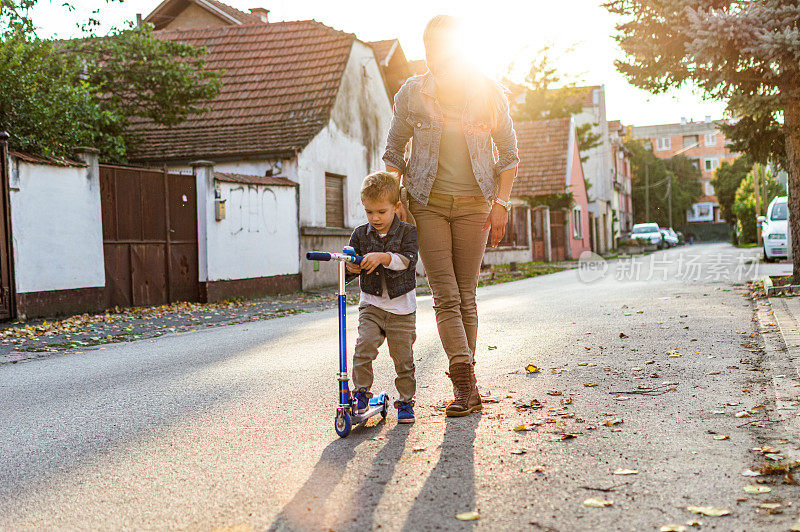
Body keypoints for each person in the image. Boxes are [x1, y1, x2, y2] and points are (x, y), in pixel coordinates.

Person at [382, 15, 519, 417]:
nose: (437, 57)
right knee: (446, 296)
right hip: (427, 203)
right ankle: (465, 384)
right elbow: (393, 154)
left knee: (466, 295)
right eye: (431, 49)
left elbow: (508, 156)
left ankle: (466, 381)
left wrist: (501, 205)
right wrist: (394, 198)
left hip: (477, 203)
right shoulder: (412, 93)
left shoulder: (489, 93)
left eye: (445, 49)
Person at [346, 171, 419, 423]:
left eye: (381, 212)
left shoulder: (407, 232)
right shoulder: (360, 234)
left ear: (396, 207)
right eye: (369, 212)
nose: (375, 218)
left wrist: (382, 257)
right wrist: (351, 266)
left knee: (403, 360)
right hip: (371, 305)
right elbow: (350, 263)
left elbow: (407, 261)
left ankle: (406, 401)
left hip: (401, 310)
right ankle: (361, 393)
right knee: (363, 348)